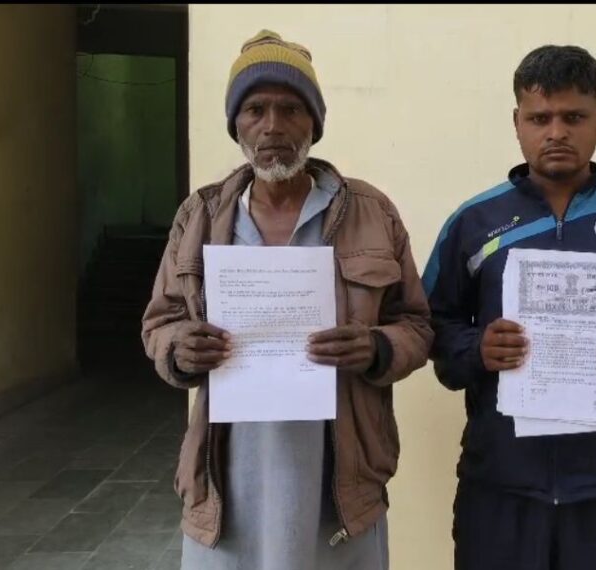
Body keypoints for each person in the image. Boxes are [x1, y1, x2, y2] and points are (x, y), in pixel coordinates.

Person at [141, 30, 432, 570]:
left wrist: (376, 347)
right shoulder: (199, 216)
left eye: (291, 109)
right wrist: (181, 348)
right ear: (236, 125)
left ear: (314, 124)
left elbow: (416, 323)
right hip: (228, 488)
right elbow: (160, 322)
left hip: (340, 491)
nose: (273, 125)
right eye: (255, 109)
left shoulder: (371, 212)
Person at [422, 45, 596, 570]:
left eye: (573, 117)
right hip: (500, 484)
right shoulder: (474, 222)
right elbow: (429, 324)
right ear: (517, 122)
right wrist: (476, 347)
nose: (556, 132)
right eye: (540, 118)